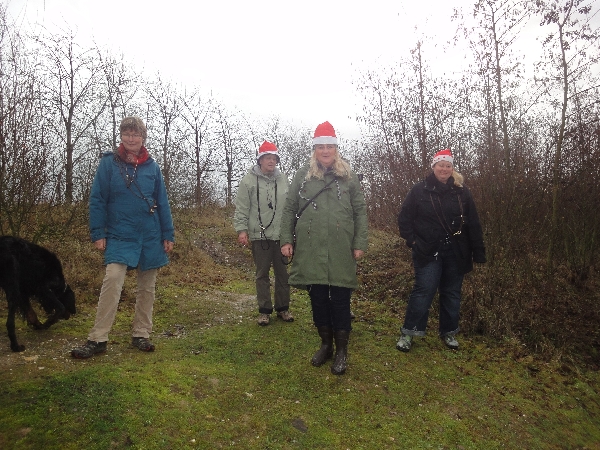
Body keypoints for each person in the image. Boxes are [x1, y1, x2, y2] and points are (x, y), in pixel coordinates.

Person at [72, 116, 175, 359]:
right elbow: (98, 199)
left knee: (147, 287)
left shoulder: (152, 167)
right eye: (127, 134)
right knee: (113, 279)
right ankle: (98, 338)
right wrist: (98, 232)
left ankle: (141, 334)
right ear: (121, 136)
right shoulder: (109, 163)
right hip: (119, 233)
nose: (131, 138)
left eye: (135, 134)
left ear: (143, 137)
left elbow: (162, 202)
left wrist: (167, 234)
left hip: (149, 235)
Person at [280, 121, 368, 375]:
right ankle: (326, 345)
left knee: (340, 298)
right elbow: (290, 208)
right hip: (311, 246)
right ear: (315, 150)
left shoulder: (348, 176)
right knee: (317, 297)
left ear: (336, 149)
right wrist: (286, 239)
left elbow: (360, 211)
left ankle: (342, 351)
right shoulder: (303, 175)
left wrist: (359, 242)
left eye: (330, 146)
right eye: (321, 147)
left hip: (341, 246)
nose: (326, 151)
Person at [396, 149, 486, 352]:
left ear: (452, 168)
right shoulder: (419, 190)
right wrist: (413, 241)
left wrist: (478, 251)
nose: (444, 169)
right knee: (424, 291)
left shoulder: (462, 192)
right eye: (440, 165)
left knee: (452, 293)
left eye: (448, 165)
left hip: (457, 252)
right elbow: (404, 218)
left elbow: (473, 223)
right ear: (433, 167)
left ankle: (449, 332)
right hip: (427, 251)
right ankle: (409, 332)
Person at [234, 141, 292, 326]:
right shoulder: (248, 181)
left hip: (281, 236)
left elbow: (290, 208)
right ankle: (264, 311)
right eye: (268, 158)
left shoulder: (283, 180)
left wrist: (291, 232)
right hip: (259, 236)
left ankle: (283, 308)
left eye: (274, 158)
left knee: (283, 275)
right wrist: (241, 230)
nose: (271, 161)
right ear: (260, 160)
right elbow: (242, 207)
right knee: (262, 274)